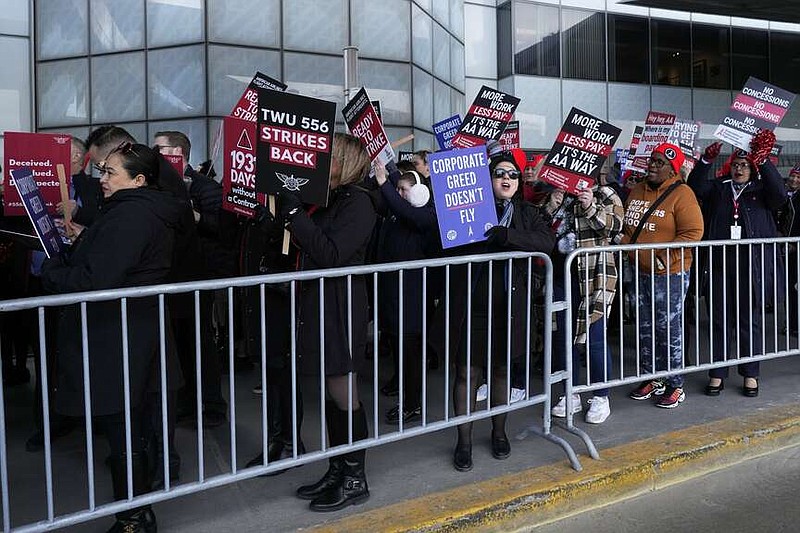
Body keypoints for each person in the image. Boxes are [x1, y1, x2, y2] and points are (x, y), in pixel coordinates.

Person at [40, 143, 185, 533]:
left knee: (124, 430)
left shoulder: (131, 217)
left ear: (138, 180)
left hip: (119, 334)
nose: (101, 180)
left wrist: (51, 269)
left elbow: (96, 279)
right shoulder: (137, 211)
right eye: (102, 171)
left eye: (110, 173)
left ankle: (134, 519)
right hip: (130, 330)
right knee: (129, 427)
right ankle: (137, 513)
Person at [432, 151, 554, 472]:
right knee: (466, 373)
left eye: (513, 175)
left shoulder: (529, 213)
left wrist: (508, 235)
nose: (507, 179)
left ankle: (499, 433)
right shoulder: (467, 209)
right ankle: (464, 440)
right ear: (487, 178)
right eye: (500, 173)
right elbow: (446, 241)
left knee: (501, 371)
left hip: (509, 309)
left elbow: (546, 241)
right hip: (470, 307)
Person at [284, 133, 376, 512]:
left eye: (330, 158)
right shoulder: (334, 198)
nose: (322, 164)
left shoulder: (360, 203)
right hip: (323, 299)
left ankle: (355, 478)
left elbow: (332, 253)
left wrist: (293, 216)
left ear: (346, 163)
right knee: (331, 391)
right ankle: (338, 469)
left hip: (341, 302)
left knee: (344, 392)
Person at [688, 132, 785, 397]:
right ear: (729, 166)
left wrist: (763, 159)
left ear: (752, 169)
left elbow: (780, 194)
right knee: (719, 320)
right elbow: (695, 186)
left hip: (750, 267)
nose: (740, 168)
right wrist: (706, 162)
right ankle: (718, 373)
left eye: (746, 165)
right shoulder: (720, 188)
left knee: (747, 321)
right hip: (720, 265)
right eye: (737, 164)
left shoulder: (761, 191)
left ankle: (750, 374)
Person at [622, 143, 704, 409]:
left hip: (670, 274)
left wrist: (663, 257)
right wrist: (624, 244)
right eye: (652, 161)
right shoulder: (636, 190)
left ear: (673, 168)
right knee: (645, 327)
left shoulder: (683, 193)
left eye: (660, 162)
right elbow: (627, 226)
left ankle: (675, 383)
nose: (653, 166)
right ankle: (652, 377)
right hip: (640, 272)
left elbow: (693, 232)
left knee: (668, 328)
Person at [545, 175, 624, 424]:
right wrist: (551, 205)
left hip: (593, 277)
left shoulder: (605, 194)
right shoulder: (558, 191)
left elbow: (615, 227)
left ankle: (601, 396)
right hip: (559, 276)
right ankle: (572, 393)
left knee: (594, 338)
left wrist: (590, 205)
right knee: (563, 338)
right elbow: (538, 227)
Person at [373, 163, 438, 424]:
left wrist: (384, 183)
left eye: (405, 190)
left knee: (411, 354)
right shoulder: (397, 216)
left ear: (419, 193)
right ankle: (404, 391)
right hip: (393, 294)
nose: (399, 194)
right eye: (397, 189)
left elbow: (403, 207)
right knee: (399, 349)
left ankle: (413, 405)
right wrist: (387, 166)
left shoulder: (426, 217)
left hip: (413, 299)